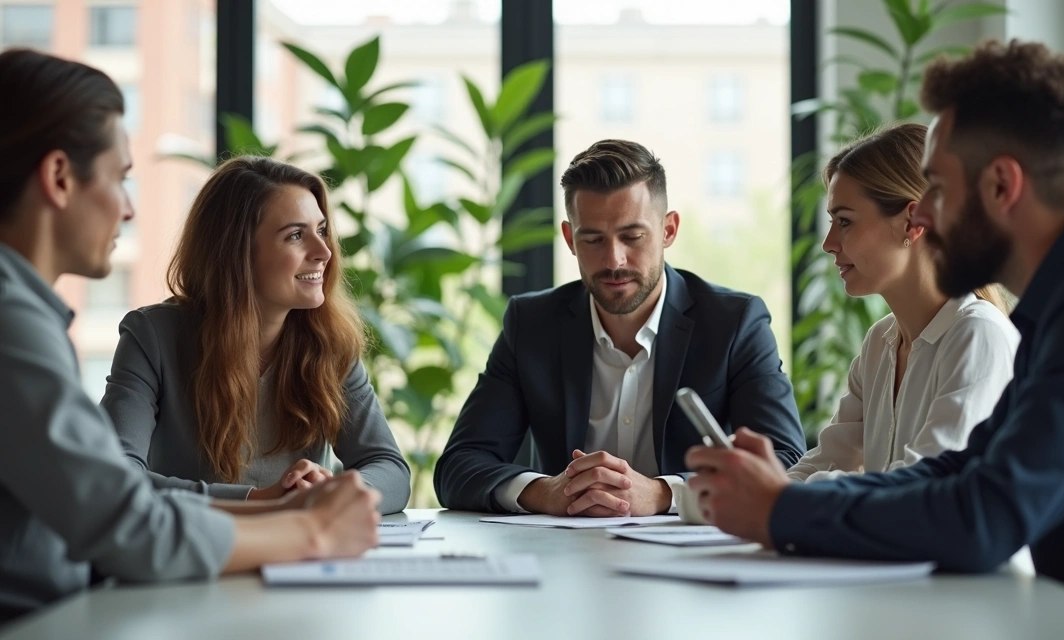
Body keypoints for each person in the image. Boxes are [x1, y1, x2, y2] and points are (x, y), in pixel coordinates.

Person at [686, 40, 1064, 637]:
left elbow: (986, 515)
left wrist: (784, 508)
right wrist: (778, 497)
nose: (925, 217)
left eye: (936, 187)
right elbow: (963, 470)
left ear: (1000, 185)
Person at [0, 48, 381, 625]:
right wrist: (309, 527)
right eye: (120, 179)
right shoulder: (15, 322)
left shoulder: (25, 312)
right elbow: (126, 522)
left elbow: (105, 510)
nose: (128, 210)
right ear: (58, 178)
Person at [434, 139, 806, 516]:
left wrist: (664, 494)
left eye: (632, 236)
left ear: (669, 230)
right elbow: (459, 466)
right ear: (569, 239)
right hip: (566, 558)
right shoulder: (531, 324)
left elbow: (787, 461)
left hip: (692, 561)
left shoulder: (734, 323)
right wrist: (544, 491)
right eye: (593, 239)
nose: (614, 260)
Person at [100, 156, 410, 514]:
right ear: (237, 252)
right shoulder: (151, 338)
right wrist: (257, 500)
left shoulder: (329, 342)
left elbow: (392, 471)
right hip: (191, 558)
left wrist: (333, 490)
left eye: (322, 230)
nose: (324, 252)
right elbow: (116, 475)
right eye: (296, 235)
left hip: (300, 557)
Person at [787, 122, 1018, 482]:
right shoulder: (880, 343)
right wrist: (757, 492)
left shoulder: (977, 335)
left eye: (844, 221)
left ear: (912, 221)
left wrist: (784, 496)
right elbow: (828, 460)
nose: (828, 243)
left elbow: (923, 486)